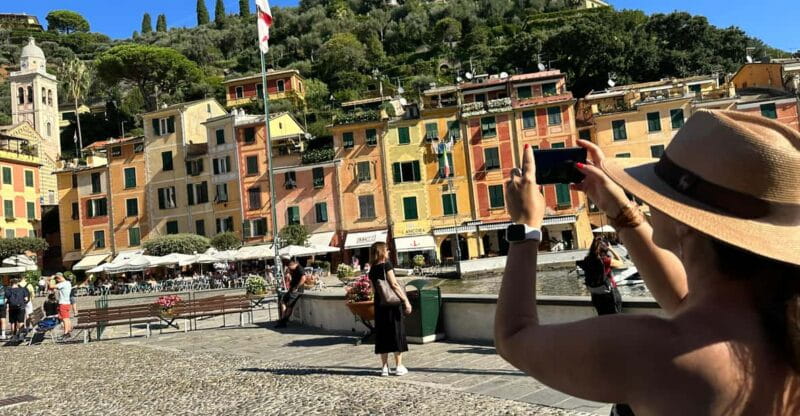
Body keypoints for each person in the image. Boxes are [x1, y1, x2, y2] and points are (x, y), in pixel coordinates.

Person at [495, 110, 800, 414]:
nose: (649, 201)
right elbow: (682, 299)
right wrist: (618, 209)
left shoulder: (652, 351)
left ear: (685, 221)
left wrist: (525, 227)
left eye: (658, 193)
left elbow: (514, 338)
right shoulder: (780, 331)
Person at [369, 242, 412, 377]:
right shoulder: (386, 265)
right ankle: (398, 366)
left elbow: (373, 289)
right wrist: (405, 300)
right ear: (382, 251)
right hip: (392, 304)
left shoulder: (372, 269)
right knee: (396, 332)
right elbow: (394, 284)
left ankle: (384, 368)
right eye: (386, 250)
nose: (388, 252)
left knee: (382, 334)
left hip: (379, 303)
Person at [579, 238, 625, 315]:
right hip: (610, 294)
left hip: (596, 295)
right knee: (615, 320)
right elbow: (621, 262)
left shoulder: (587, 259)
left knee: (603, 320)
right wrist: (611, 249)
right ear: (605, 249)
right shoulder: (606, 260)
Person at [275, 258, 306, 328]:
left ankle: (284, 321)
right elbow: (289, 275)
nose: (289, 268)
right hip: (292, 289)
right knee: (282, 301)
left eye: (289, 266)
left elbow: (303, 278)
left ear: (294, 263)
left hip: (296, 291)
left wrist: (297, 287)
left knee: (289, 305)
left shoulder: (299, 268)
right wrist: (288, 272)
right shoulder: (293, 269)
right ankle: (282, 319)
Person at [49, 273, 73, 337]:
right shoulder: (68, 283)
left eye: (57, 279)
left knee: (64, 318)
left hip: (63, 303)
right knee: (67, 318)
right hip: (67, 303)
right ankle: (68, 330)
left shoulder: (63, 284)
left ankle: (66, 333)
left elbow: (51, 286)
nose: (56, 281)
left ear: (59, 277)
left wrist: (51, 279)